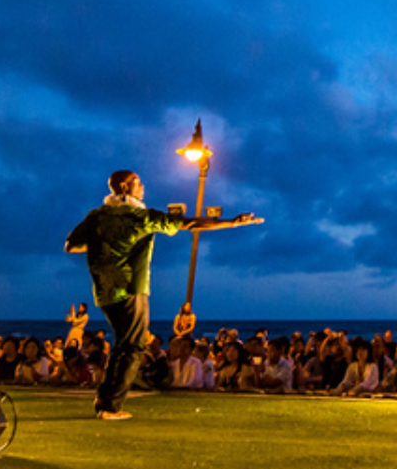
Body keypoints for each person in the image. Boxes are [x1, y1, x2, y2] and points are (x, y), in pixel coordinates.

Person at [63, 170, 260, 420]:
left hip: (104, 290)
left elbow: (71, 245)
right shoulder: (141, 217)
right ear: (124, 187)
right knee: (134, 346)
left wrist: (106, 246)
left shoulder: (96, 217)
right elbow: (190, 224)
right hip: (131, 287)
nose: (142, 186)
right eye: (137, 182)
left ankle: (105, 399)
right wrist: (232, 222)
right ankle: (110, 406)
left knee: (123, 344)